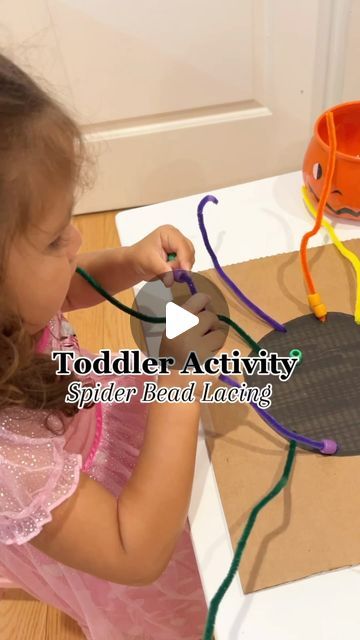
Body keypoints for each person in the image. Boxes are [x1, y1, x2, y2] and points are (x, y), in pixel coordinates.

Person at [0, 53, 224, 639]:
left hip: (99, 421)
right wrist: (178, 388)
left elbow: (58, 292)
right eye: (53, 239)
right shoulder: (7, 461)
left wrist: (127, 260)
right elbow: (133, 551)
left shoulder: (16, 309)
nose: (77, 239)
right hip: (113, 525)